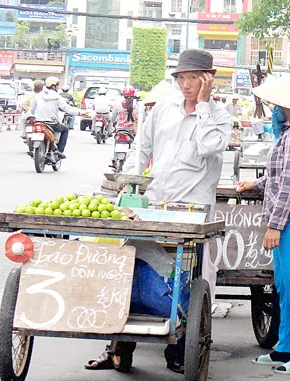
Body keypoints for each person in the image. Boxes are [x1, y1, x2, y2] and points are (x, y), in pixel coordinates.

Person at [85, 49, 232, 373]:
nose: (187, 84)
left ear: (208, 80)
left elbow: (209, 147)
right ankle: (118, 346)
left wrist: (204, 106)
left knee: (185, 273)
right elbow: (143, 148)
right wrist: (132, 185)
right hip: (152, 202)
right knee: (131, 264)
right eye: (182, 77)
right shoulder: (164, 107)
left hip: (190, 210)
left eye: (194, 78)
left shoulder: (220, 115)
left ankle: (179, 349)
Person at [235, 70, 290, 375]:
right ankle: (286, 347)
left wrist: (274, 226)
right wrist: (254, 184)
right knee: (284, 290)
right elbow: (278, 178)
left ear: (288, 104)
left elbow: (288, 186)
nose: (273, 107)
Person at [30, 76, 89, 159]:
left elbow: (32, 110)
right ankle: (60, 151)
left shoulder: (38, 96)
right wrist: (81, 112)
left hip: (39, 122)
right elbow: (68, 109)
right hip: (52, 123)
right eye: (57, 85)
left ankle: (32, 147)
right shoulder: (57, 97)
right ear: (53, 86)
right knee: (65, 129)